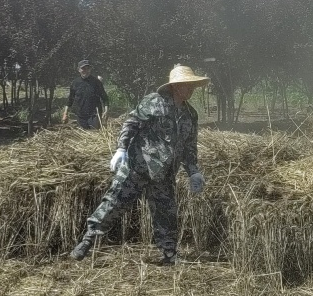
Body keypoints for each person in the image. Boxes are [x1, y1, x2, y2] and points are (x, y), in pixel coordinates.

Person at [69, 65, 209, 265]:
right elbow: (131, 123)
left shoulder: (190, 115)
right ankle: (87, 240)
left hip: (164, 173)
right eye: (187, 85)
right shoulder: (154, 102)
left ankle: (169, 254)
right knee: (113, 203)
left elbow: (189, 147)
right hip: (138, 166)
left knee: (166, 213)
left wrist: (193, 172)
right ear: (175, 86)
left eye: (192, 85)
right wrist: (121, 149)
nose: (191, 89)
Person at [61, 60, 109, 129]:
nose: (86, 71)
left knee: (94, 134)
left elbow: (105, 98)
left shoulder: (96, 82)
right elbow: (70, 99)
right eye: (83, 68)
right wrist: (65, 113)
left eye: (88, 68)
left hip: (94, 114)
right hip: (81, 115)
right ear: (79, 70)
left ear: (90, 69)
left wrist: (106, 111)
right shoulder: (75, 83)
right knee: (83, 134)